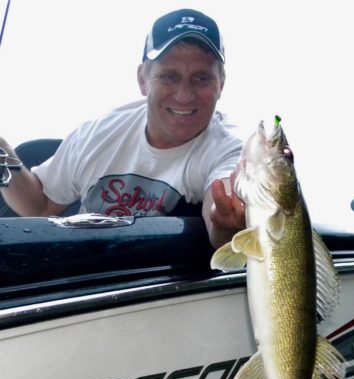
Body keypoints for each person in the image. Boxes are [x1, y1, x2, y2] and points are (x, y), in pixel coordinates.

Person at [0, 8, 245, 248]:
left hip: (166, 284)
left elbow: (220, 232)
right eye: (169, 76)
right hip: (77, 275)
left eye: (202, 78)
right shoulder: (97, 135)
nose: (184, 96)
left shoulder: (228, 151)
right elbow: (40, 207)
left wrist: (227, 223)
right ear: (142, 79)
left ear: (221, 83)